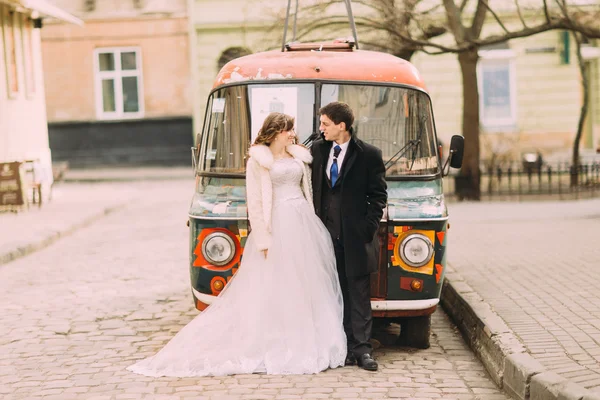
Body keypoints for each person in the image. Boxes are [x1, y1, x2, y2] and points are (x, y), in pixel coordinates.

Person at [127, 112, 346, 377]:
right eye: (288, 130)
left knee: (305, 281)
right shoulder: (259, 161)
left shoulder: (299, 155)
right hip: (277, 222)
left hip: (303, 221)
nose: (292, 134)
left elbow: (307, 189)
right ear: (276, 131)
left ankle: (309, 334)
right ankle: (279, 338)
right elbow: (254, 201)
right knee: (277, 283)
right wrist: (263, 238)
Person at [311, 102, 387, 372]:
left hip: (356, 238)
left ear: (341, 126)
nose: (321, 129)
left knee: (358, 294)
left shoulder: (369, 155)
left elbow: (378, 196)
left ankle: (363, 350)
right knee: (334, 293)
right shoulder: (317, 150)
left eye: (325, 124)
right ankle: (341, 348)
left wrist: (367, 229)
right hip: (325, 237)